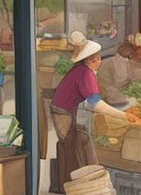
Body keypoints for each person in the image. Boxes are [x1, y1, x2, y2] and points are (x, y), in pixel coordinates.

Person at [51, 32, 127, 185]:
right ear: (86, 61)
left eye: (99, 58)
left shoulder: (79, 70)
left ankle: (66, 183)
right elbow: (95, 103)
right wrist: (122, 115)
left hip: (64, 110)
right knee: (69, 146)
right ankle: (69, 184)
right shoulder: (86, 74)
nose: (98, 62)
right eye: (94, 59)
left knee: (71, 143)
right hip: (62, 112)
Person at [97, 37, 141, 109]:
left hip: (125, 98)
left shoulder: (129, 63)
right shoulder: (108, 66)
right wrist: (126, 99)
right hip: (110, 103)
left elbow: (134, 79)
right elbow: (107, 89)